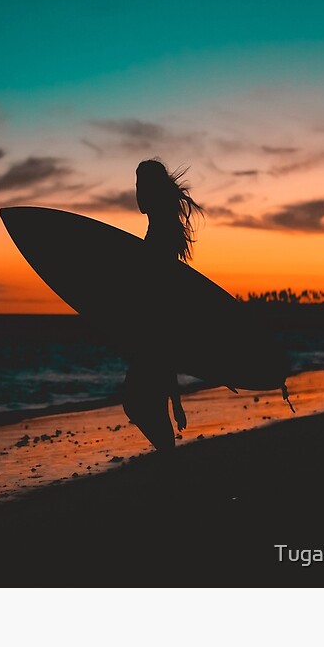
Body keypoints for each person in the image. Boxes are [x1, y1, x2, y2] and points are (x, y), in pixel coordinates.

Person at [122, 158, 204, 451]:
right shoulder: (161, 232)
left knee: (135, 401)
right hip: (155, 335)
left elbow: (163, 305)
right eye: (136, 185)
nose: (137, 192)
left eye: (141, 185)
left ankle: (170, 464)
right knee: (146, 403)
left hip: (156, 334)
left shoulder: (160, 237)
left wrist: (177, 400)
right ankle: (169, 465)